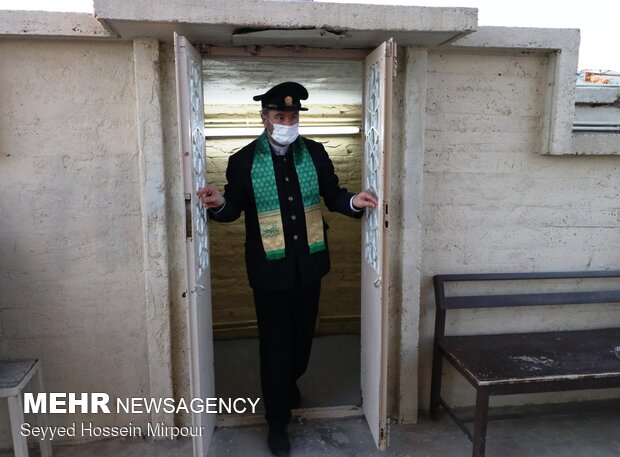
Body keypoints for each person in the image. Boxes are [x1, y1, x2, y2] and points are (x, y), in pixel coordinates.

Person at [197, 81, 377, 456]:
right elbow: (233, 209)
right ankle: (276, 422)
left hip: (309, 267)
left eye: (293, 116)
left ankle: (290, 381)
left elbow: (333, 194)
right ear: (265, 119)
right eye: (280, 116)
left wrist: (355, 202)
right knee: (275, 346)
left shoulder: (313, 153)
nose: (288, 121)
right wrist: (216, 204)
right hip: (269, 273)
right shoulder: (243, 161)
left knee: (302, 341)